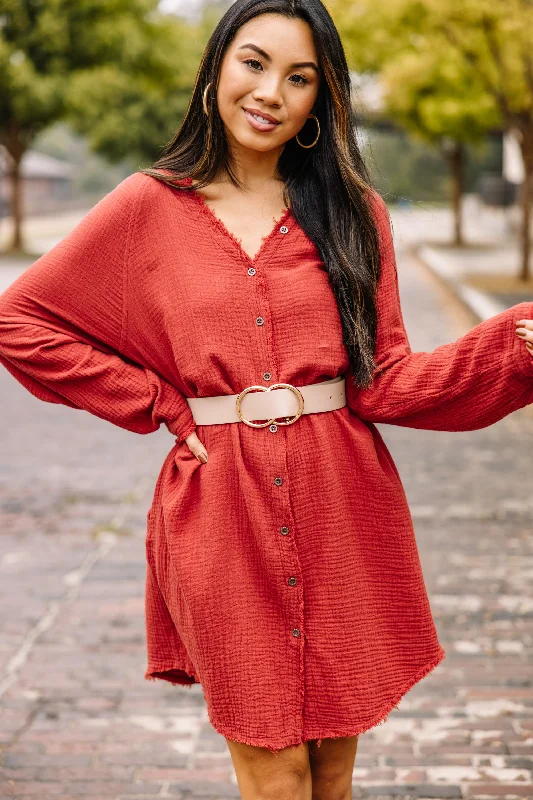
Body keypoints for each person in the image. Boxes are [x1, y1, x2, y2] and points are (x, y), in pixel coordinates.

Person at [0, 1, 532, 798]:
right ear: (216, 67)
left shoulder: (353, 215)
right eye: (253, 63)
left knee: (329, 772)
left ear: (322, 99)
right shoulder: (149, 207)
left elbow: (385, 379)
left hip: (343, 500)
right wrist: (156, 401)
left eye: (299, 77)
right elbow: (20, 320)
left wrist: (514, 340)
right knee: (274, 772)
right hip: (220, 507)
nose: (270, 92)